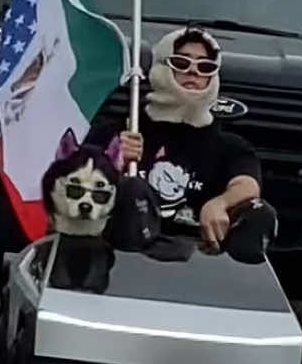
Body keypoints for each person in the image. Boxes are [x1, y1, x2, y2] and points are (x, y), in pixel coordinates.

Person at [85, 25, 277, 263]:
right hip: (123, 256)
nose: (194, 73)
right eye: (182, 63)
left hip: (200, 255)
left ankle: (239, 292)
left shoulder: (230, 145)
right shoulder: (123, 131)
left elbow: (247, 185)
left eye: (205, 67)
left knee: (261, 213)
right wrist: (112, 161)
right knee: (131, 188)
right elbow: (70, 181)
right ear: (162, 68)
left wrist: (220, 203)